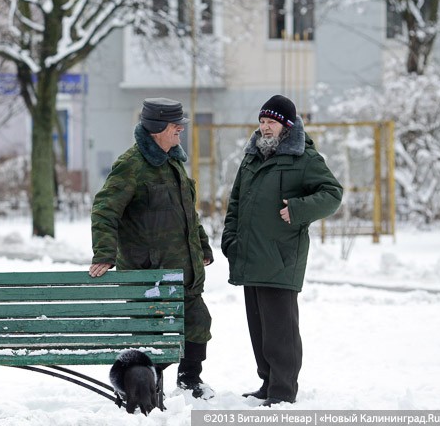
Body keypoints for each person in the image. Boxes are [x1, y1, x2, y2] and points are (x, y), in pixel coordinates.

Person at [221, 95, 343, 406]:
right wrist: (230, 239)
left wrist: (300, 209)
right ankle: (268, 382)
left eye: (271, 122)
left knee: (281, 331)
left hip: (281, 257)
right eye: (262, 122)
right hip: (250, 255)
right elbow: (235, 202)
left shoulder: (303, 158)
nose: (265, 128)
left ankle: (283, 390)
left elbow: (332, 193)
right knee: (259, 329)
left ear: (286, 126)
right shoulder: (251, 157)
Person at [89, 97, 215, 400]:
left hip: (183, 268)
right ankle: (142, 384)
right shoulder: (131, 165)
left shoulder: (173, 162)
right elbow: (104, 209)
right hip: (151, 273)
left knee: (198, 323)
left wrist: (202, 246)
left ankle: (189, 380)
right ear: (158, 128)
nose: (181, 130)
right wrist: (104, 253)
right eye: (176, 126)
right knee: (152, 336)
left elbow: (188, 212)